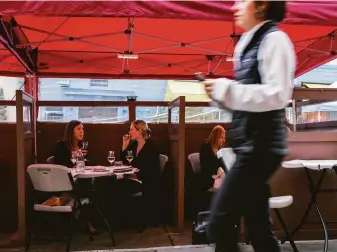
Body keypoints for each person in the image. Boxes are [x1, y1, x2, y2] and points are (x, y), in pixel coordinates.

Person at [202, 1, 295, 252]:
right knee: (258, 228)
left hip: (261, 147)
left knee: (220, 221)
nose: (235, 6)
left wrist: (226, 89)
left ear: (262, 5)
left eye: (243, 0)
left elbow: (277, 94)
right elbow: (248, 100)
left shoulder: (276, 40)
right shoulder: (248, 42)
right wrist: (221, 94)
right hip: (252, 146)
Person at [120, 120, 161, 224]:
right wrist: (124, 146)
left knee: (118, 187)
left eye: (131, 130)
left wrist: (133, 175)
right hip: (134, 179)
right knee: (113, 184)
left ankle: (123, 221)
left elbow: (151, 170)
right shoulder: (134, 145)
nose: (129, 132)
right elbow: (125, 162)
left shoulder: (151, 147)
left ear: (140, 131)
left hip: (146, 182)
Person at [199, 125, 226, 191]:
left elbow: (223, 166)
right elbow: (206, 166)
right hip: (208, 179)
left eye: (224, 138)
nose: (223, 140)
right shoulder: (205, 147)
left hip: (218, 178)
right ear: (216, 137)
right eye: (221, 138)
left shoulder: (220, 150)